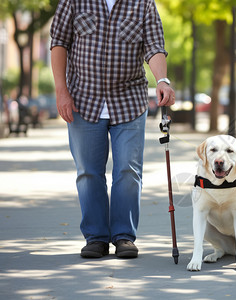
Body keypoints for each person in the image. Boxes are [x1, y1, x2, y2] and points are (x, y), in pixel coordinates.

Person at [50, 0, 175, 258]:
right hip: (83, 100)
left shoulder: (142, 4)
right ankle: (96, 237)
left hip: (129, 101)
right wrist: (61, 90)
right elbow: (59, 42)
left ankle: (123, 236)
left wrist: (161, 80)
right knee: (88, 173)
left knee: (128, 171)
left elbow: (154, 47)